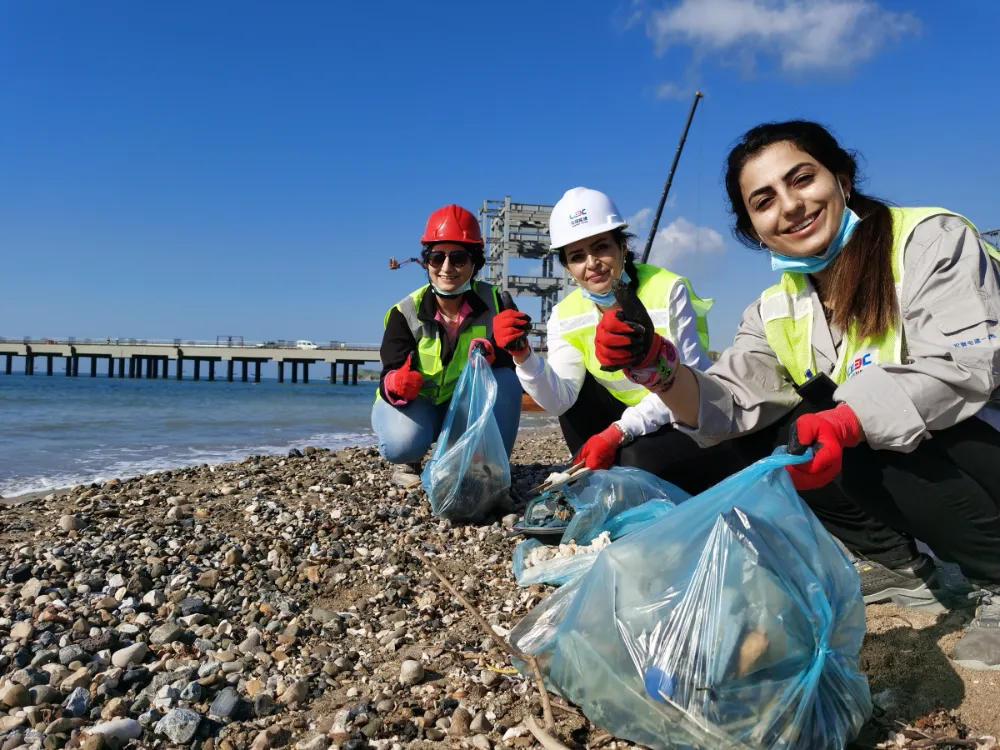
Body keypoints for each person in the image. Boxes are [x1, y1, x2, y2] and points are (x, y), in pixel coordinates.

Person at [594, 120, 1000, 669]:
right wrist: (656, 367)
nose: (789, 206)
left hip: (984, 425)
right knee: (778, 441)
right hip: (934, 445)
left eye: (802, 179)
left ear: (842, 178)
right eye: (764, 201)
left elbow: (965, 368)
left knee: (853, 434)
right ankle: (907, 572)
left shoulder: (930, 241)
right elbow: (726, 405)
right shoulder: (775, 308)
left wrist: (848, 420)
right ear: (754, 229)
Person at [493, 187, 748, 494]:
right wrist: (523, 356)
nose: (591, 263)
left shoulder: (668, 290)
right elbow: (559, 399)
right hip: (629, 420)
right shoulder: (565, 314)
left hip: (690, 419)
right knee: (575, 392)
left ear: (623, 246)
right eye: (576, 256)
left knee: (635, 460)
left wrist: (619, 431)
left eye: (601, 247)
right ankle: (595, 476)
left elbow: (691, 386)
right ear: (567, 267)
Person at [372, 204, 522, 466]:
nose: (447, 267)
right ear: (427, 262)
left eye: (459, 258)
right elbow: (389, 373)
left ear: (475, 262)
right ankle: (412, 460)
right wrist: (396, 383)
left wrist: (501, 353)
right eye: (437, 257)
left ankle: (492, 467)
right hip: (418, 404)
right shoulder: (404, 312)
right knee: (402, 444)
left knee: (507, 380)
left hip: (465, 407)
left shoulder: (498, 302)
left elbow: (513, 366)